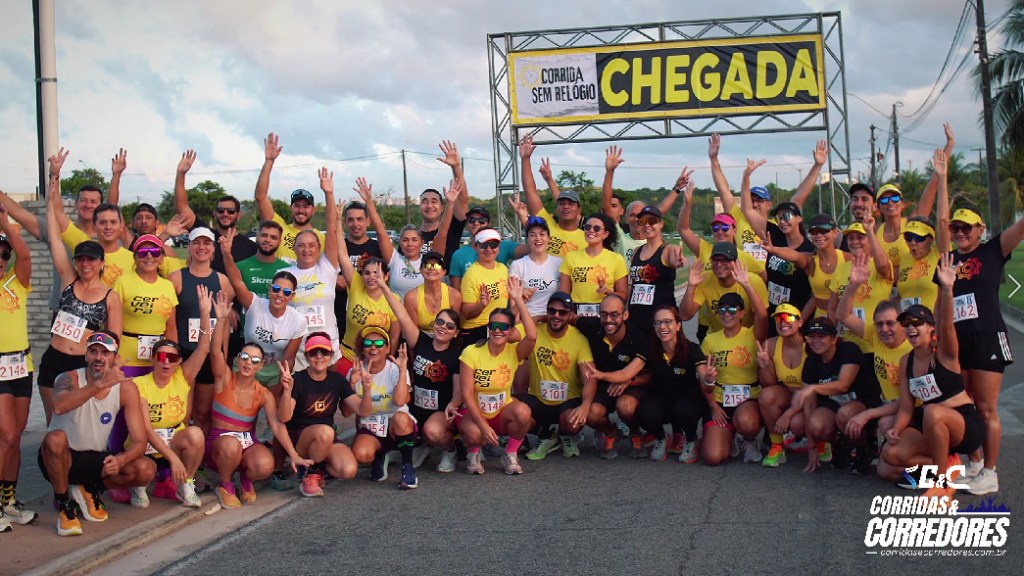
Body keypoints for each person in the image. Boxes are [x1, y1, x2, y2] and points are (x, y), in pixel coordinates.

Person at [881, 253, 986, 493]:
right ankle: (947, 465)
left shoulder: (943, 353)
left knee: (932, 410)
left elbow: (947, 325)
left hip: (963, 426)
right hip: (932, 427)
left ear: (930, 327)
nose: (911, 328)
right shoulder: (906, 361)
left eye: (917, 323)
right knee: (891, 453)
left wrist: (947, 289)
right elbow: (906, 407)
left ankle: (940, 482)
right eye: (906, 324)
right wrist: (897, 428)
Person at [39, 332, 156, 536]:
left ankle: (90, 489)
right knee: (54, 438)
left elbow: (139, 441)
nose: (98, 358)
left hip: (94, 458)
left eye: (105, 353)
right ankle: (65, 505)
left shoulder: (126, 388)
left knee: (146, 469)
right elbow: (58, 406)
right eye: (93, 352)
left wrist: (120, 460)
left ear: (115, 358)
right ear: (85, 355)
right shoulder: (68, 378)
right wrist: (98, 385)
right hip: (61, 457)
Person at [205, 292, 311, 509]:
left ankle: (246, 480)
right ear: (238, 359)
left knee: (265, 464)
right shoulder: (225, 379)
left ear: (260, 366)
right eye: (244, 357)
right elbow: (215, 352)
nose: (248, 363)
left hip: (246, 444)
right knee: (230, 445)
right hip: (220, 447)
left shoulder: (264, 393)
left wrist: (294, 455)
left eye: (254, 360)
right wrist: (221, 320)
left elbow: (278, 425)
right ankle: (225, 484)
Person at [947, 203, 1024, 495]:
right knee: (964, 405)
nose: (960, 233)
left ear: (980, 230)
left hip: (988, 336)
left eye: (966, 227)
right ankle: (975, 463)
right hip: (958, 340)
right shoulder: (948, 259)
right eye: (955, 227)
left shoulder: (993, 250)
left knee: (986, 408)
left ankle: (990, 472)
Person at [114, 288, 212, 509]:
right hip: (145, 444)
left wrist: (205, 314)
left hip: (173, 440)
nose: (166, 362)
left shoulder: (182, 377)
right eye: (161, 357)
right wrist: (173, 459)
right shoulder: (138, 385)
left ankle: (186, 484)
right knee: (141, 496)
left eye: (172, 358)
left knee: (196, 434)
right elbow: (146, 429)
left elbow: (203, 349)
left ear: (178, 362)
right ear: (153, 359)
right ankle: (139, 485)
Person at [37, 175, 122, 426]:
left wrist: (107, 370)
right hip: (54, 358)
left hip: (81, 364)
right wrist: (51, 203)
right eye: (81, 259)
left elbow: (114, 340)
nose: (85, 264)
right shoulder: (68, 280)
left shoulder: (110, 296)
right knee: (53, 422)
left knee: (77, 423)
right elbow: (54, 239)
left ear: (101, 264)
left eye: (91, 260)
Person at [836, 254, 913, 475]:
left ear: (903, 323)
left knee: (885, 425)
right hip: (890, 407)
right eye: (879, 324)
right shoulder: (875, 336)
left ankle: (940, 462)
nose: (884, 329)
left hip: (913, 411)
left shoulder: (912, 349)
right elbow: (843, 315)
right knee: (885, 471)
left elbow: (906, 402)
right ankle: (869, 450)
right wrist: (853, 285)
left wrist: (868, 414)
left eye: (890, 323)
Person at [458, 277, 537, 475]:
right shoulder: (471, 352)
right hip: (474, 413)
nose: (497, 331)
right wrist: (483, 426)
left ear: (511, 331)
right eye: (493, 326)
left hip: (501, 411)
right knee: (475, 434)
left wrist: (518, 300)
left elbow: (532, 336)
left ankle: (510, 453)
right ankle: (473, 452)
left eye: (503, 327)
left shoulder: (514, 352)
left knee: (523, 412)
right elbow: (466, 394)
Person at [709, 134, 827, 260]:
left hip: (771, 271)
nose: (754, 204)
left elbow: (800, 195)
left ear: (769, 205)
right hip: (745, 272)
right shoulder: (738, 218)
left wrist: (817, 166)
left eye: (759, 200)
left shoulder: (778, 225)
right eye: (751, 200)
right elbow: (723, 190)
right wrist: (714, 159)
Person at [383, 285, 463, 473]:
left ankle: (450, 450)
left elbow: (459, 392)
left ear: (456, 333)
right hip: (416, 407)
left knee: (432, 431)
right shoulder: (421, 341)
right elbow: (402, 315)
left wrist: (453, 405)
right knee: (390, 423)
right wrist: (382, 286)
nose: (443, 327)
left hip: (440, 412)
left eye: (450, 326)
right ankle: (422, 445)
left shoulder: (457, 356)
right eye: (440, 322)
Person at [791, 317, 880, 473]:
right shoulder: (811, 361)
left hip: (861, 400)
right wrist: (812, 447)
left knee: (845, 414)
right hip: (834, 403)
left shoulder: (849, 350)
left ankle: (863, 449)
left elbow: (843, 385)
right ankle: (840, 443)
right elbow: (809, 406)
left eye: (821, 336)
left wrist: (813, 388)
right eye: (811, 336)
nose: (815, 341)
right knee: (815, 425)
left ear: (833, 339)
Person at [168, 227, 233, 437]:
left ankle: (201, 453)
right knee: (181, 413)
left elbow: (225, 322)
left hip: (210, 356)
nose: (201, 247)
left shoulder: (222, 281)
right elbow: (170, 321)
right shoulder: (176, 278)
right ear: (189, 247)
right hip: (185, 352)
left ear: (213, 249)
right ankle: (179, 451)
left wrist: (223, 354)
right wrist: (173, 353)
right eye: (196, 242)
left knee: (203, 413)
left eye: (206, 243)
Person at [278, 334, 362, 497]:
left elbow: (361, 410)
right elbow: (284, 417)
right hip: (300, 438)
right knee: (326, 432)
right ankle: (310, 474)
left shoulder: (337, 380)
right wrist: (287, 391)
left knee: (348, 470)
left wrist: (358, 385)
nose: (319, 356)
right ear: (306, 356)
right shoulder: (297, 379)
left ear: (331, 355)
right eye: (313, 352)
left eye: (324, 352)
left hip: (326, 438)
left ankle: (319, 467)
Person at [221, 232, 306, 390]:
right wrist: (226, 254)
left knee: (272, 405)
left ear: (292, 296)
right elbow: (237, 282)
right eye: (276, 289)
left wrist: (280, 387)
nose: (280, 295)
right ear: (269, 289)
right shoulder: (255, 304)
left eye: (287, 292)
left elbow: (289, 358)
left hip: (274, 372)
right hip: (246, 365)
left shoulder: (298, 320)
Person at [517, 291, 596, 461]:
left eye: (562, 312)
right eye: (551, 311)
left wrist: (585, 405)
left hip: (568, 401)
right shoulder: (534, 332)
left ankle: (564, 434)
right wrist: (539, 317)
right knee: (511, 410)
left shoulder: (579, 339)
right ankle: (546, 436)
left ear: (571, 314)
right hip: (539, 400)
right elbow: (513, 331)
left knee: (572, 423)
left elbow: (590, 377)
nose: (556, 316)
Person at [699, 284, 768, 466]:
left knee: (746, 422)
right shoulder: (710, 340)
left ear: (742, 313)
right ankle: (729, 437)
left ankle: (750, 440)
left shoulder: (752, 335)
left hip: (748, 398)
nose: (726, 314)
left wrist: (747, 285)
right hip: (720, 401)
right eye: (722, 309)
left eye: (732, 309)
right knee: (713, 457)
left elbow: (762, 315)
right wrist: (713, 405)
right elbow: (704, 382)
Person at [635, 305, 711, 463]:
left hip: (687, 396)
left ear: (678, 325)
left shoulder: (692, 348)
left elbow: (706, 382)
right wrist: (601, 375)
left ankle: (691, 440)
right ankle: (661, 438)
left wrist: (709, 379)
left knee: (684, 411)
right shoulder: (650, 347)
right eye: (658, 323)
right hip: (661, 396)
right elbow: (627, 372)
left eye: (668, 322)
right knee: (643, 412)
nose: (662, 326)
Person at [283, 168, 341, 369]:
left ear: (319, 248)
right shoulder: (285, 275)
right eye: (301, 245)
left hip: (327, 346)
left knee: (330, 388)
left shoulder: (327, 267)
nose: (306, 249)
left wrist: (328, 193)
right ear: (294, 248)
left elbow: (332, 226)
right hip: (298, 350)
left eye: (311, 245)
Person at [347, 327, 419, 489]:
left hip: (397, 424)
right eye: (368, 343)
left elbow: (400, 401)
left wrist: (402, 371)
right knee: (361, 455)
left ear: (387, 349)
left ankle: (408, 468)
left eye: (379, 343)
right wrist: (352, 384)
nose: (373, 347)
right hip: (370, 425)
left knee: (400, 418)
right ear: (362, 348)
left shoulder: (395, 369)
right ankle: (380, 454)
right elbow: (346, 412)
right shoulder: (355, 371)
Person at [0, 209, 36, 531]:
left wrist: (6, 224)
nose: (0, 260)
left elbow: (24, 255)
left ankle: (8, 499)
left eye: (3, 255)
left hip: (21, 366)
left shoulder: (16, 282)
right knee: (6, 434)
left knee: (16, 437)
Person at [873, 125, 952, 267]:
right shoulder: (875, 230)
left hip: (914, 279)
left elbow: (934, 184)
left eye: (895, 198)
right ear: (878, 207)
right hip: (887, 282)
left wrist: (949, 145)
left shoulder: (912, 223)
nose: (890, 202)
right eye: (884, 200)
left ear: (902, 204)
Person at [584, 295, 650, 460]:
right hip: (604, 386)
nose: (608, 320)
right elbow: (569, 318)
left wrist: (629, 380)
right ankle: (611, 432)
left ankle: (635, 433)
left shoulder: (639, 337)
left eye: (614, 314)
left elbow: (651, 375)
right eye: (604, 314)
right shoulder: (592, 328)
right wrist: (541, 318)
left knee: (625, 406)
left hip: (631, 384)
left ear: (625, 315)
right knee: (591, 413)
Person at [171, 149, 258, 274]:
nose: (225, 214)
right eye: (221, 210)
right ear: (215, 213)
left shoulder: (250, 247)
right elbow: (182, 208)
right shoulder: (205, 235)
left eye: (230, 211)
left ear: (238, 215)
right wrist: (180, 174)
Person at [337, 221, 400, 373]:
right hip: (348, 358)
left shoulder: (393, 299)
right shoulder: (356, 285)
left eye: (376, 273)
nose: (371, 277)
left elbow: (394, 337)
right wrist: (338, 221)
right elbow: (342, 254)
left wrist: (388, 361)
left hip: (377, 361)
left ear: (386, 276)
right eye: (367, 273)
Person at [113, 234, 178, 378]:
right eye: (142, 253)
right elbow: (112, 323)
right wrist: (112, 355)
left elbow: (171, 327)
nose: (149, 256)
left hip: (159, 359)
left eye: (155, 252)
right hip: (126, 358)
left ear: (162, 257)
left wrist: (173, 357)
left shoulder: (167, 286)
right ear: (135, 257)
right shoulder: (122, 282)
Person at [827, 216, 894, 354]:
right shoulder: (841, 269)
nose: (855, 242)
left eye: (860, 237)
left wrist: (869, 230)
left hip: (876, 343)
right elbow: (832, 307)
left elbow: (883, 266)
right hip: (850, 345)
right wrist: (831, 336)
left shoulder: (879, 264)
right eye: (851, 238)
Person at [600, 145, 679, 263]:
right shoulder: (620, 239)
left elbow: (660, 211)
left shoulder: (653, 243)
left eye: (640, 216)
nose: (636, 219)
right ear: (626, 218)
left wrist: (677, 188)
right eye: (632, 215)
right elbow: (606, 207)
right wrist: (609, 172)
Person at [255, 132, 325, 264]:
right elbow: (260, 197)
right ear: (290, 208)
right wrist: (269, 162)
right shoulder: (279, 228)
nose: (301, 210)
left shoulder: (321, 239)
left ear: (313, 210)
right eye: (297, 206)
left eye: (306, 206)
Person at [680, 242, 769, 342]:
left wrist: (747, 285)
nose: (719, 264)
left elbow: (762, 317)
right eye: (715, 260)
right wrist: (691, 286)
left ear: (735, 262)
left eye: (725, 260)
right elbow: (685, 315)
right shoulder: (704, 279)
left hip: (747, 340)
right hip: (718, 340)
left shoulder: (754, 281)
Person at [764, 214, 845, 319]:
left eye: (824, 231)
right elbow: (794, 255)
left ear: (835, 233)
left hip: (844, 317)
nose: (819, 235)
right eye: (814, 232)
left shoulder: (847, 258)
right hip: (821, 317)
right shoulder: (810, 261)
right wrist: (773, 249)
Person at [757, 304, 808, 467]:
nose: (783, 322)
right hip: (787, 392)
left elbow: (815, 389)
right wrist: (766, 366)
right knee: (767, 396)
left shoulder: (811, 344)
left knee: (797, 423)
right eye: (779, 319)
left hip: (812, 396)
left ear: (800, 322)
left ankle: (822, 442)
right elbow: (769, 383)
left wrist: (788, 414)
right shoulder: (771, 344)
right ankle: (777, 446)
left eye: (788, 317)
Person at [520, 135, 585, 257]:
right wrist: (525, 159)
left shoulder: (587, 238)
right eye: (562, 203)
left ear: (579, 210)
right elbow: (530, 191)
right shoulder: (546, 226)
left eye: (571, 204)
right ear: (557, 208)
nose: (566, 207)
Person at [558, 213, 629, 323]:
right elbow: (564, 294)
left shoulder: (616, 259)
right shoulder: (570, 257)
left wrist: (608, 292)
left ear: (605, 234)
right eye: (587, 227)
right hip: (576, 317)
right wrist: (569, 314)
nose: (591, 231)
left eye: (596, 228)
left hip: (605, 318)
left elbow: (623, 296)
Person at [626, 205, 684, 332]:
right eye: (643, 221)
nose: (647, 225)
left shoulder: (668, 249)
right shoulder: (636, 251)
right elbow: (633, 285)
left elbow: (675, 257)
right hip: (636, 319)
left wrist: (678, 260)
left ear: (661, 224)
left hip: (661, 322)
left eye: (652, 221)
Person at [334, 201, 383, 341]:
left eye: (359, 219)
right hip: (341, 311)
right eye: (350, 220)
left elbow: (387, 278)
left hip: (371, 312)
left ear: (368, 221)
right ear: (345, 222)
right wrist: (334, 280)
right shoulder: (338, 248)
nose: (355, 224)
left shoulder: (378, 247)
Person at [418, 141, 469, 263]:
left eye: (434, 201)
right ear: (419, 206)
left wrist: (456, 167)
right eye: (425, 201)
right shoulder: (412, 237)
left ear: (442, 207)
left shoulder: (452, 230)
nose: (429, 205)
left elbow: (463, 200)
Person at [449, 205, 522, 289]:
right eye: (472, 220)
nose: (476, 223)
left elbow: (532, 250)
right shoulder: (459, 255)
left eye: (482, 220)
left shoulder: (504, 247)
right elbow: (456, 290)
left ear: (488, 224)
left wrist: (524, 219)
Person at [460, 228, 511, 343]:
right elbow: (466, 313)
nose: (489, 249)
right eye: (483, 245)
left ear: (499, 247)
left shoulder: (502, 268)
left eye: (493, 245)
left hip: (497, 325)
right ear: (475, 247)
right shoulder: (471, 275)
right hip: (476, 329)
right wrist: (481, 305)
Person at [508, 216, 563, 321]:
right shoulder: (517, 265)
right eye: (532, 235)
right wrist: (520, 298)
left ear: (549, 238)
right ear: (527, 239)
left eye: (542, 234)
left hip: (553, 321)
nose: (538, 238)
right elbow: (513, 312)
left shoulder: (560, 263)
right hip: (528, 322)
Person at [404, 251, 462, 336]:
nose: (431, 268)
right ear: (421, 270)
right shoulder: (411, 297)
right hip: (421, 339)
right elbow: (413, 333)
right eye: (427, 265)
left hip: (446, 338)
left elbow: (454, 328)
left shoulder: (454, 295)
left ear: (444, 272)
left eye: (437, 265)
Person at [232, 220, 290, 297]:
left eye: (273, 237)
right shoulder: (239, 268)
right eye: (264, 235)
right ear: (257, 237)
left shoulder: (288, 270)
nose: (267, 240)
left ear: (279, 242)